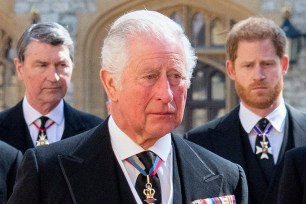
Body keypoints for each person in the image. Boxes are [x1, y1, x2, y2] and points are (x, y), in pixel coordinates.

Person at [8, 10, 248, 204]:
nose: (166, 94)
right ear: (111, 84)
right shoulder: (48, 173)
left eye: (176, 75)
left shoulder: (225, 177)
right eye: (150, 76)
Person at [185, 16, 306, 204]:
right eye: (248, 65)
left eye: (267, 64)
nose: (258, 75)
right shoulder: (198, 144)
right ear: (231, 69)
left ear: (283, 65)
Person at [0, 22, 103, 153]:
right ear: (20, 69)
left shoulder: (95, 132)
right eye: (42, 65)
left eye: (62, 65)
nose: (53, 77)